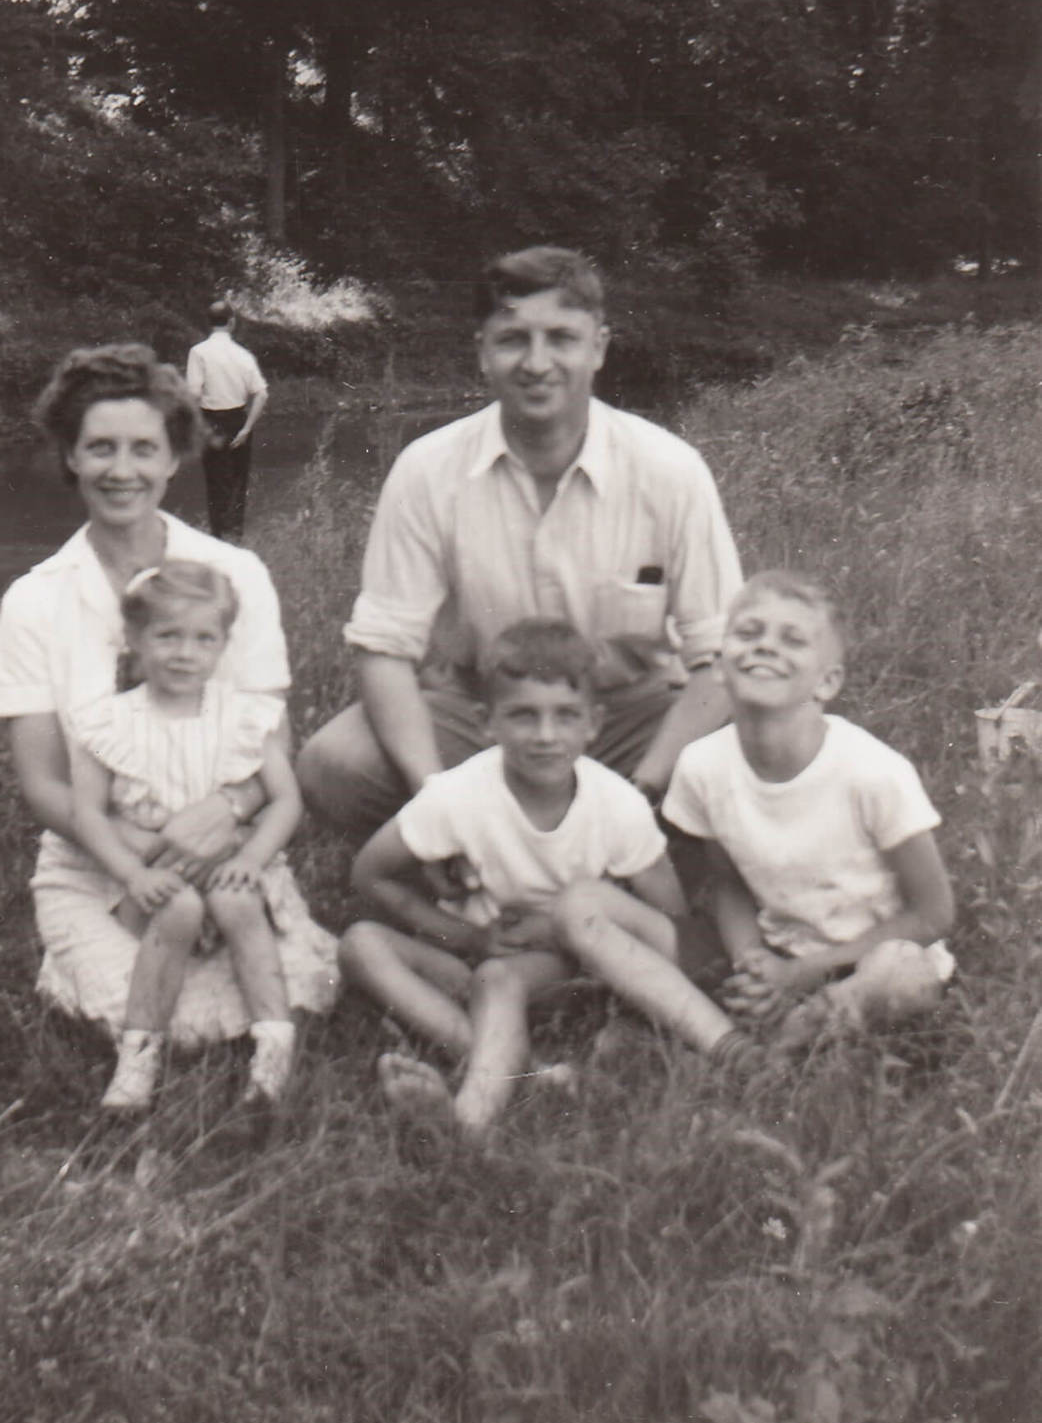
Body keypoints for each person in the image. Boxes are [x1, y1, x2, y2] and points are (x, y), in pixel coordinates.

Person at [298, 246, 743, 840]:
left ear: (599, 348)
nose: (537, 363)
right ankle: (458, 869)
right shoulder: (427, 470)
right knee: (335, 763)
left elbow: (723, 658)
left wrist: (645, 789)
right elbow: (383, 649)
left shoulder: (669, 470)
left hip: (627, 716)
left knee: (756, 749)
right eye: (513, 339)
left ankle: (639, 876)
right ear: (482, 351)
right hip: (482, 715)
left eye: (562, 337)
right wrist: (436, 796)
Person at [0, 342, 330, 1047]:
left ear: (174, 457)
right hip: (102, 858)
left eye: (144, 448)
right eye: (100, 448)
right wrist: (146, 851)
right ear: (72, 458)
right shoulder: (33, 600)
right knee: (163, 1018)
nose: (123, 470)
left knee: (286, 993)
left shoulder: (235, 572)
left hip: (227, 841)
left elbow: (272, 743)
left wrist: (228, 815)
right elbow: (43, 784)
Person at [339, 620, 756, 1137]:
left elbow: (667, 917)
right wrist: (465, 936)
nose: (545, 736)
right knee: (361, 944)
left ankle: (467, 1122)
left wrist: (565, 930)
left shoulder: (615, 804)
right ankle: (531, 1071)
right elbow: (372, 875)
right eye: (523, 716)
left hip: (568, 972)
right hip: (477, 955)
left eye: (565, 717)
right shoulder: (458, 794)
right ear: (486, 722)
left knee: (501, 979)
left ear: (594, 723)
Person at [69, 561, 335, 1114]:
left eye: (203, 639)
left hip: (233, 865)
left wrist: (256, 856)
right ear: (136, 641)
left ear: (221, 646)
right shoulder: (109, 723)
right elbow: (88, 814)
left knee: (236, 897)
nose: (184, 653)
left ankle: (273, 1050)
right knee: (179, 906)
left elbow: (286, 798)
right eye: (167, 636)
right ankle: (139, 1056)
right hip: (155, 877)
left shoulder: (242, 717)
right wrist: (134, 873)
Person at [663, 570, 956, 1044]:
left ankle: (779, 1043)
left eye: (792, 639)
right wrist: (754, 964)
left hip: (871, 955)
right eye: (748, 633)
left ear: (827, 682)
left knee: (900, 976)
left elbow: (934, 913)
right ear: (719, 665)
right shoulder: (701, 767)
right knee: (623, 924)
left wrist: (802, 974)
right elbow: (728, 883)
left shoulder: (872, 772)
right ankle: (766, 1019)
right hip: (778, 947)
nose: (765, 647)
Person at [186, 299, 268, 542]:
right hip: (239, 420)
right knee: (238, 484)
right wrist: (247, 428)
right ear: (232, 323)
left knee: (216, 483)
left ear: (208, 323)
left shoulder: (198, 352)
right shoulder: (243, 355)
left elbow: (193, 393)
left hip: (211, 421)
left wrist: (194, 425)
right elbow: (262, 393)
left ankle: (219, 539)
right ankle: (236, 538)